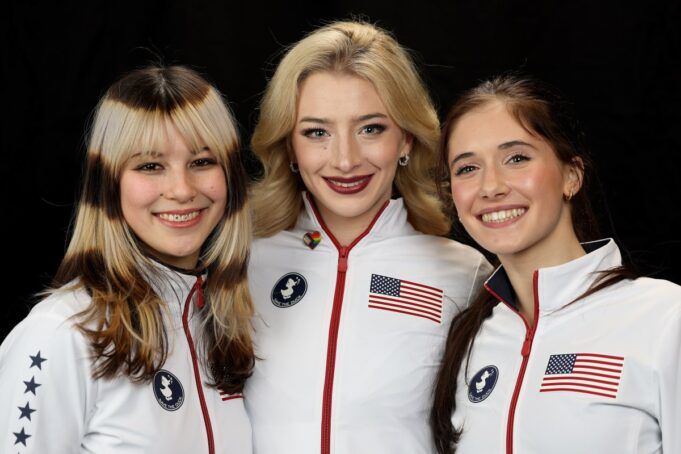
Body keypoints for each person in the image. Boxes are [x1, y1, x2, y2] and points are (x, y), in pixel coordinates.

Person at [245, 21, 492, 453]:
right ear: (289, 147)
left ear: (407, 139)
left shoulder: (466, 274)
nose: (345, 160)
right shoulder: (239, 263)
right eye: (317, 132)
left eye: (371, 128)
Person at [0, 65, 254, 453]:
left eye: (202, 161)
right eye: (150, 166)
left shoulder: (226, 325)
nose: (182, 190)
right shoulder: (61, 333)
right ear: (109, 182)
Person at [430, 75, 681, 453]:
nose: (491, 186)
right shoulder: (467, 338)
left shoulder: (665, 317)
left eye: (516, 158)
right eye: (467, 168)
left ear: (571, 176)